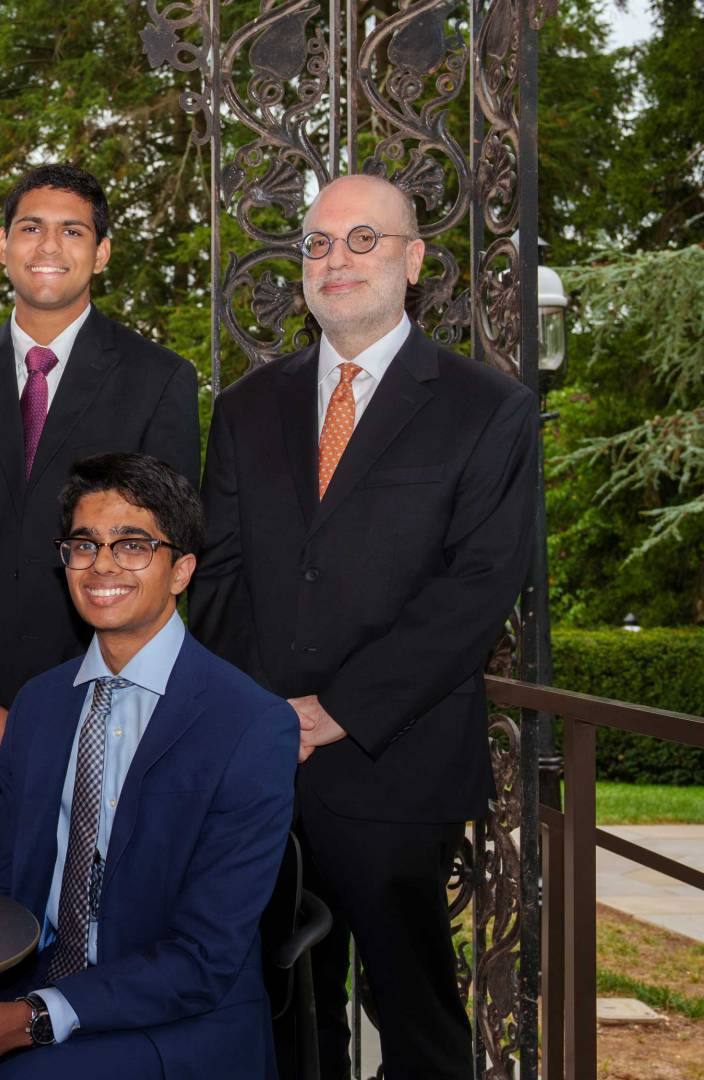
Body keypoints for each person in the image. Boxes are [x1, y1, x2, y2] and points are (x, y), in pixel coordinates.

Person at [190, 173, 538, 1079]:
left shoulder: (486, 408)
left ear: (414, 261)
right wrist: (260, 718)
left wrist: (336, 708)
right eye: (316, 243)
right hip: (263, 769)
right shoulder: (244, 408)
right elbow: (218, 580)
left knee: (417, 1023)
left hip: (396, 764)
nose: (334, 260)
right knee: (286, 1021)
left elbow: (478, 589)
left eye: (362, 240)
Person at [0, 452, 293, 1079]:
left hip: (172, 1021)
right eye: (84, 545)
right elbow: (5, 888)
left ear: (182, 570)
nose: (103, 565)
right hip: (23, 988)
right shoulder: (40, 704)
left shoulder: (250, 725)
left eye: (134, 544)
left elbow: (202, 958)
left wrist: (26, 1022)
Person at [0, 163, 200, 883]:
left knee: (94, 939)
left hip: (107, 709)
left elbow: (155, 557)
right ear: (1, 245)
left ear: (100, 253)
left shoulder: (158, 379)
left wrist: (100, 697)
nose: (48, 245)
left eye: (73, 230)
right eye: (30, 227)